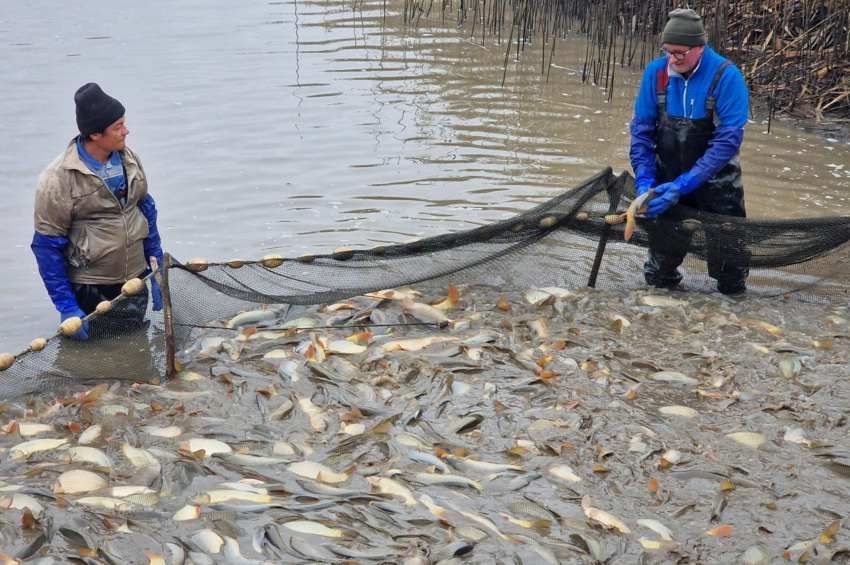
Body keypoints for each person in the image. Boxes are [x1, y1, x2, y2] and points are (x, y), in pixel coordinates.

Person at [629, 8, 750, 295]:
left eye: (680, 53)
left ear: (700, 47)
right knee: (659, 273)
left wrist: (684, 185)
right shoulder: (656, 73)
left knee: (730, 275)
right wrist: (645, 180)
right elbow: (641, 133)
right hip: (666, 176)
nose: (672, 59)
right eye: (668, 51)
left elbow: (727, 142)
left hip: (718, 185)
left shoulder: (726, 77)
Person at [31, 83, 163, 340]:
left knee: (134, 348)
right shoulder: (58, 178)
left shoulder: (129, 158)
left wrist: (154, 266)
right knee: (90, 362)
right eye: (118, 127)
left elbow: (146, 208)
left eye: (124, 123)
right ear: (94, 135)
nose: (126, 131)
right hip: (91, 288)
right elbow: (46, 246)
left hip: (135, 281)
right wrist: (67, 307)